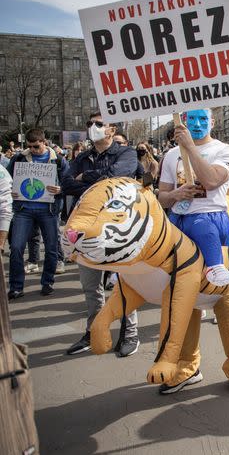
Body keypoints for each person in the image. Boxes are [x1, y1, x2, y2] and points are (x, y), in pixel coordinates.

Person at [62, 112, 139, 356]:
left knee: (124, 282)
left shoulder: (126, 153)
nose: (93, 128)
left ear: (111, 129)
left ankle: (130, 333)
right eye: (89, 124)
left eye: (99, 124)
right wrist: (98, 180)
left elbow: (120, 175)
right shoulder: (83, 157)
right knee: (90, 286)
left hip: (118, 227)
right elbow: (66, 183)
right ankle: (94, 331)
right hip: (87, 228)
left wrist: (87, 177)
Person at [159, 109, 229, 291]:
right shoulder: (171, 155)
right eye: (192, 119)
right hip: (178, 219)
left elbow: (211, 181)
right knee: (180, 283)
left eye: (202, 119)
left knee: (219, 288)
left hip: (211, 218)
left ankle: (215, 269)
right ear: (184, 121)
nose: (196, 124)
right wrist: (174, 195)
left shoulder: (225, 150)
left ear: (212, 122)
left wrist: (189, 147)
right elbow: (162, 198)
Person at [6, 128, 67, 299]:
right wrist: (11, 190)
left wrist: (60, 189)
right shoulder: (19, 158)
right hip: (23, 211)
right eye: (30, 146)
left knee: (51, 247)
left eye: (36, 146)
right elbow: (7, 180)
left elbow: (68, 183)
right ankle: (16, 286)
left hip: (48, 211)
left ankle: (47, 281)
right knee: (17, 247)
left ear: (44, 143)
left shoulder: (59, 161)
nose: (33, 150)